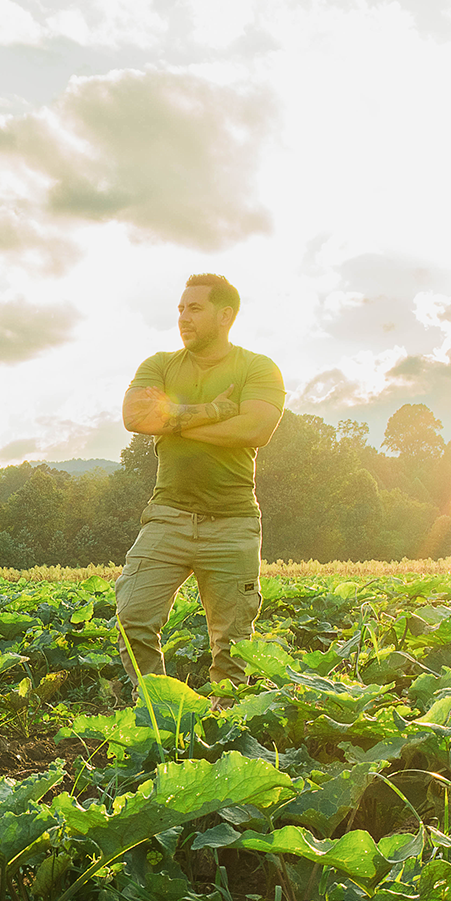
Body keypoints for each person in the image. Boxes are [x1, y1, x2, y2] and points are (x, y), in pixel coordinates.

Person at [116, 272, 285, 687]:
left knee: (232, 646)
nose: (183, 317)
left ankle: (221, 725)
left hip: (233, 523)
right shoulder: (159, 364)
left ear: (225, 315)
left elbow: (254, 430)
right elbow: (135, 417)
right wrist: (211, 411)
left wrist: (173, 423)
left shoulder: (258, 368)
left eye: (195, 308)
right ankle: (159, 713)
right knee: (132, 620)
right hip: (167, 517)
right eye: (180, 309)